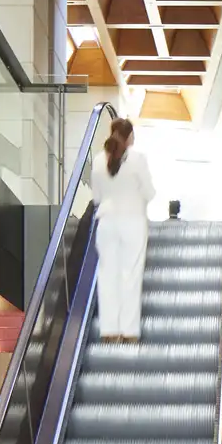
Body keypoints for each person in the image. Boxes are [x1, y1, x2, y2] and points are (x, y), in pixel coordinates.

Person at [91, 117, 155, 341]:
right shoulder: (137, 159)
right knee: (131, 275)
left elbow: (96, 197)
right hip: (132, 222)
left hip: (107, 222)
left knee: (108, 275)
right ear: (128, 137)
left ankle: (109, 331)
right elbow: (149, 192)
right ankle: (128, 332)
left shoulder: (99, 160)